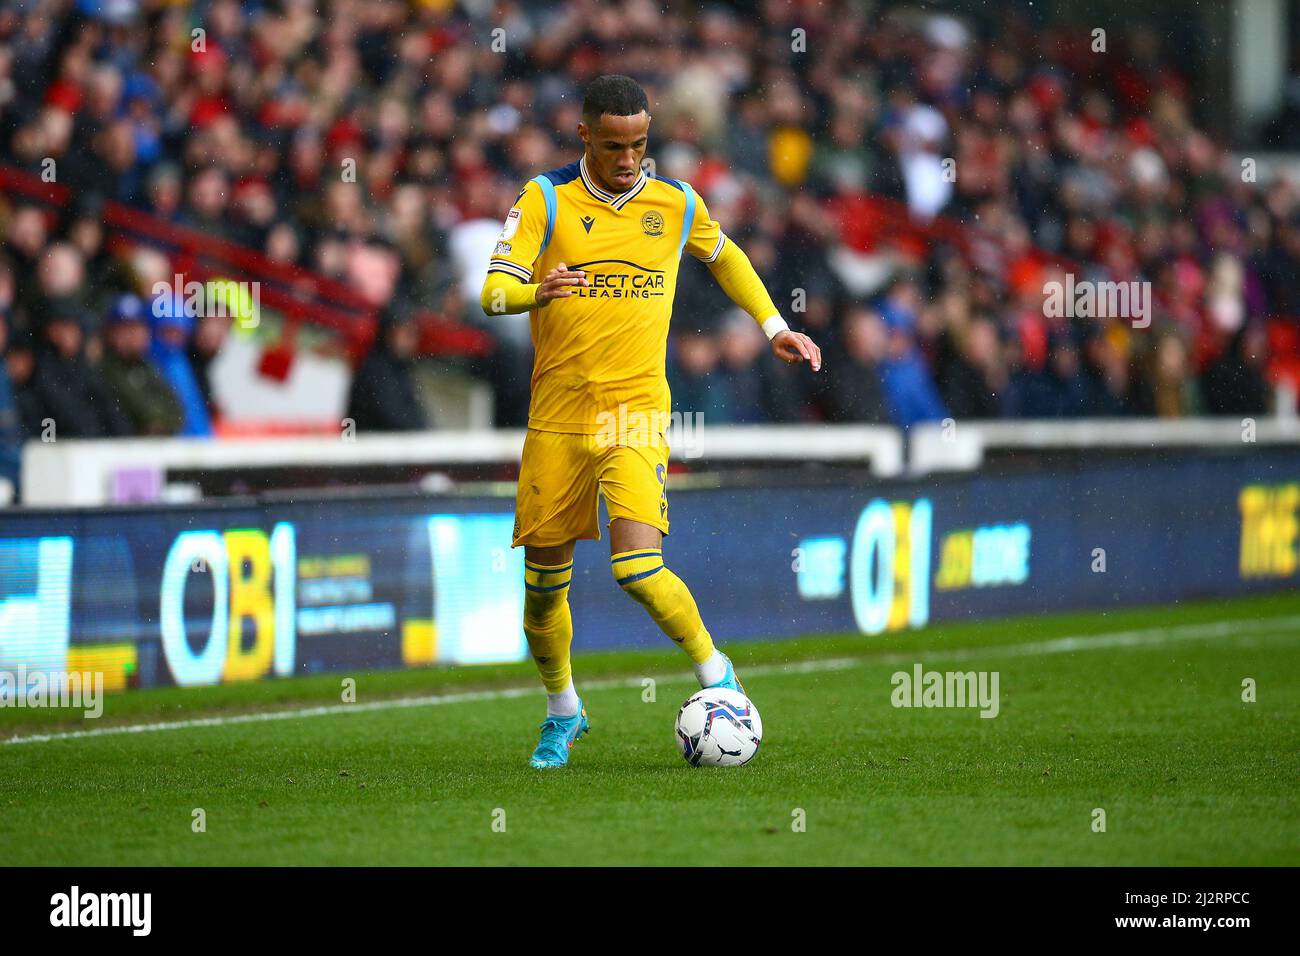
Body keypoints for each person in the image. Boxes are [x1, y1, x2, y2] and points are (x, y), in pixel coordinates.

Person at [479, 75, 822, 768]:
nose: (629, 158)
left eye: (639, 143)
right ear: (584, 136)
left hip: (635, 416)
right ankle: (562, 710)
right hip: (557, 420)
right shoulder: (544, 199)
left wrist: (773, 325)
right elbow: (490, 293)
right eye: (613, 145)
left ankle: (716, 673)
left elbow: (725, 256)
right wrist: (532, 291)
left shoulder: (673, 202)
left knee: (638, 567)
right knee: (544, 593)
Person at [100, 294, 185, 435]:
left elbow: (177, 409)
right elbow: (133, 409)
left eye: (137, 328)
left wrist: (161, 424)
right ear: (111, 333)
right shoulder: (104, 368)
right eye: (125, 329)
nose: (133, 336)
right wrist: (154, 421)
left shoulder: (148, 367)